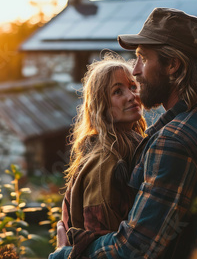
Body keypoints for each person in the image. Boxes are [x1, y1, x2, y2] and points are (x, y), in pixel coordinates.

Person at [50, 7, 197, 259]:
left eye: (143, 58)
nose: (137, 70)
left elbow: (132, 249)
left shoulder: (173, 142)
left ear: (172, 65)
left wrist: (64, 255)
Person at [57, 53, 147, 258]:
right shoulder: (104, 163)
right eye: (118, 91)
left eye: (133, 87)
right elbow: (100, 243)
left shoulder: (131, 147)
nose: (132, 95)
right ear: (101, 106)